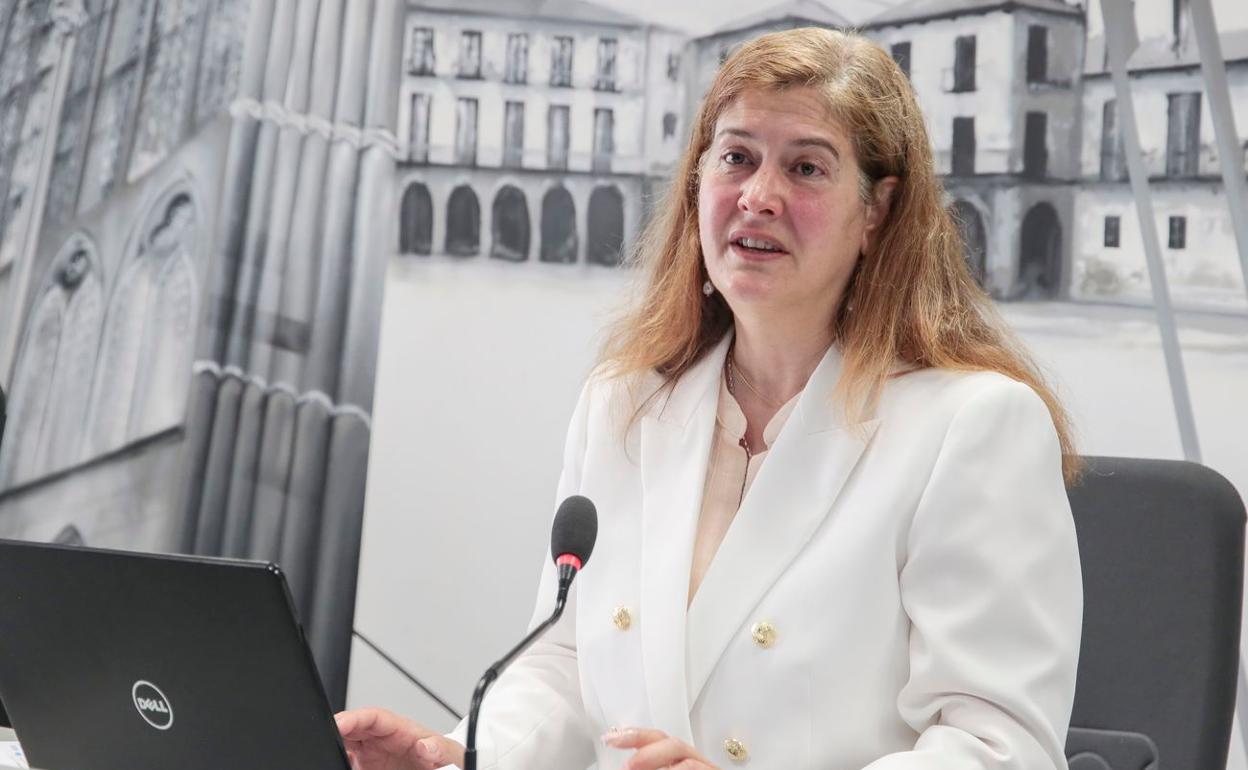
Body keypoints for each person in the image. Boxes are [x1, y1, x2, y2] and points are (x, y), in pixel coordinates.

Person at [337, 27, 1083, 770]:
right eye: (736, 158)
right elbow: (563, 668)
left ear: (877, 212)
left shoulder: (975, 426)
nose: (759, 196)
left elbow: (997, 749)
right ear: (697, 182)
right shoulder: (623, 404)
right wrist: (458, 757)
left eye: (807, 168)